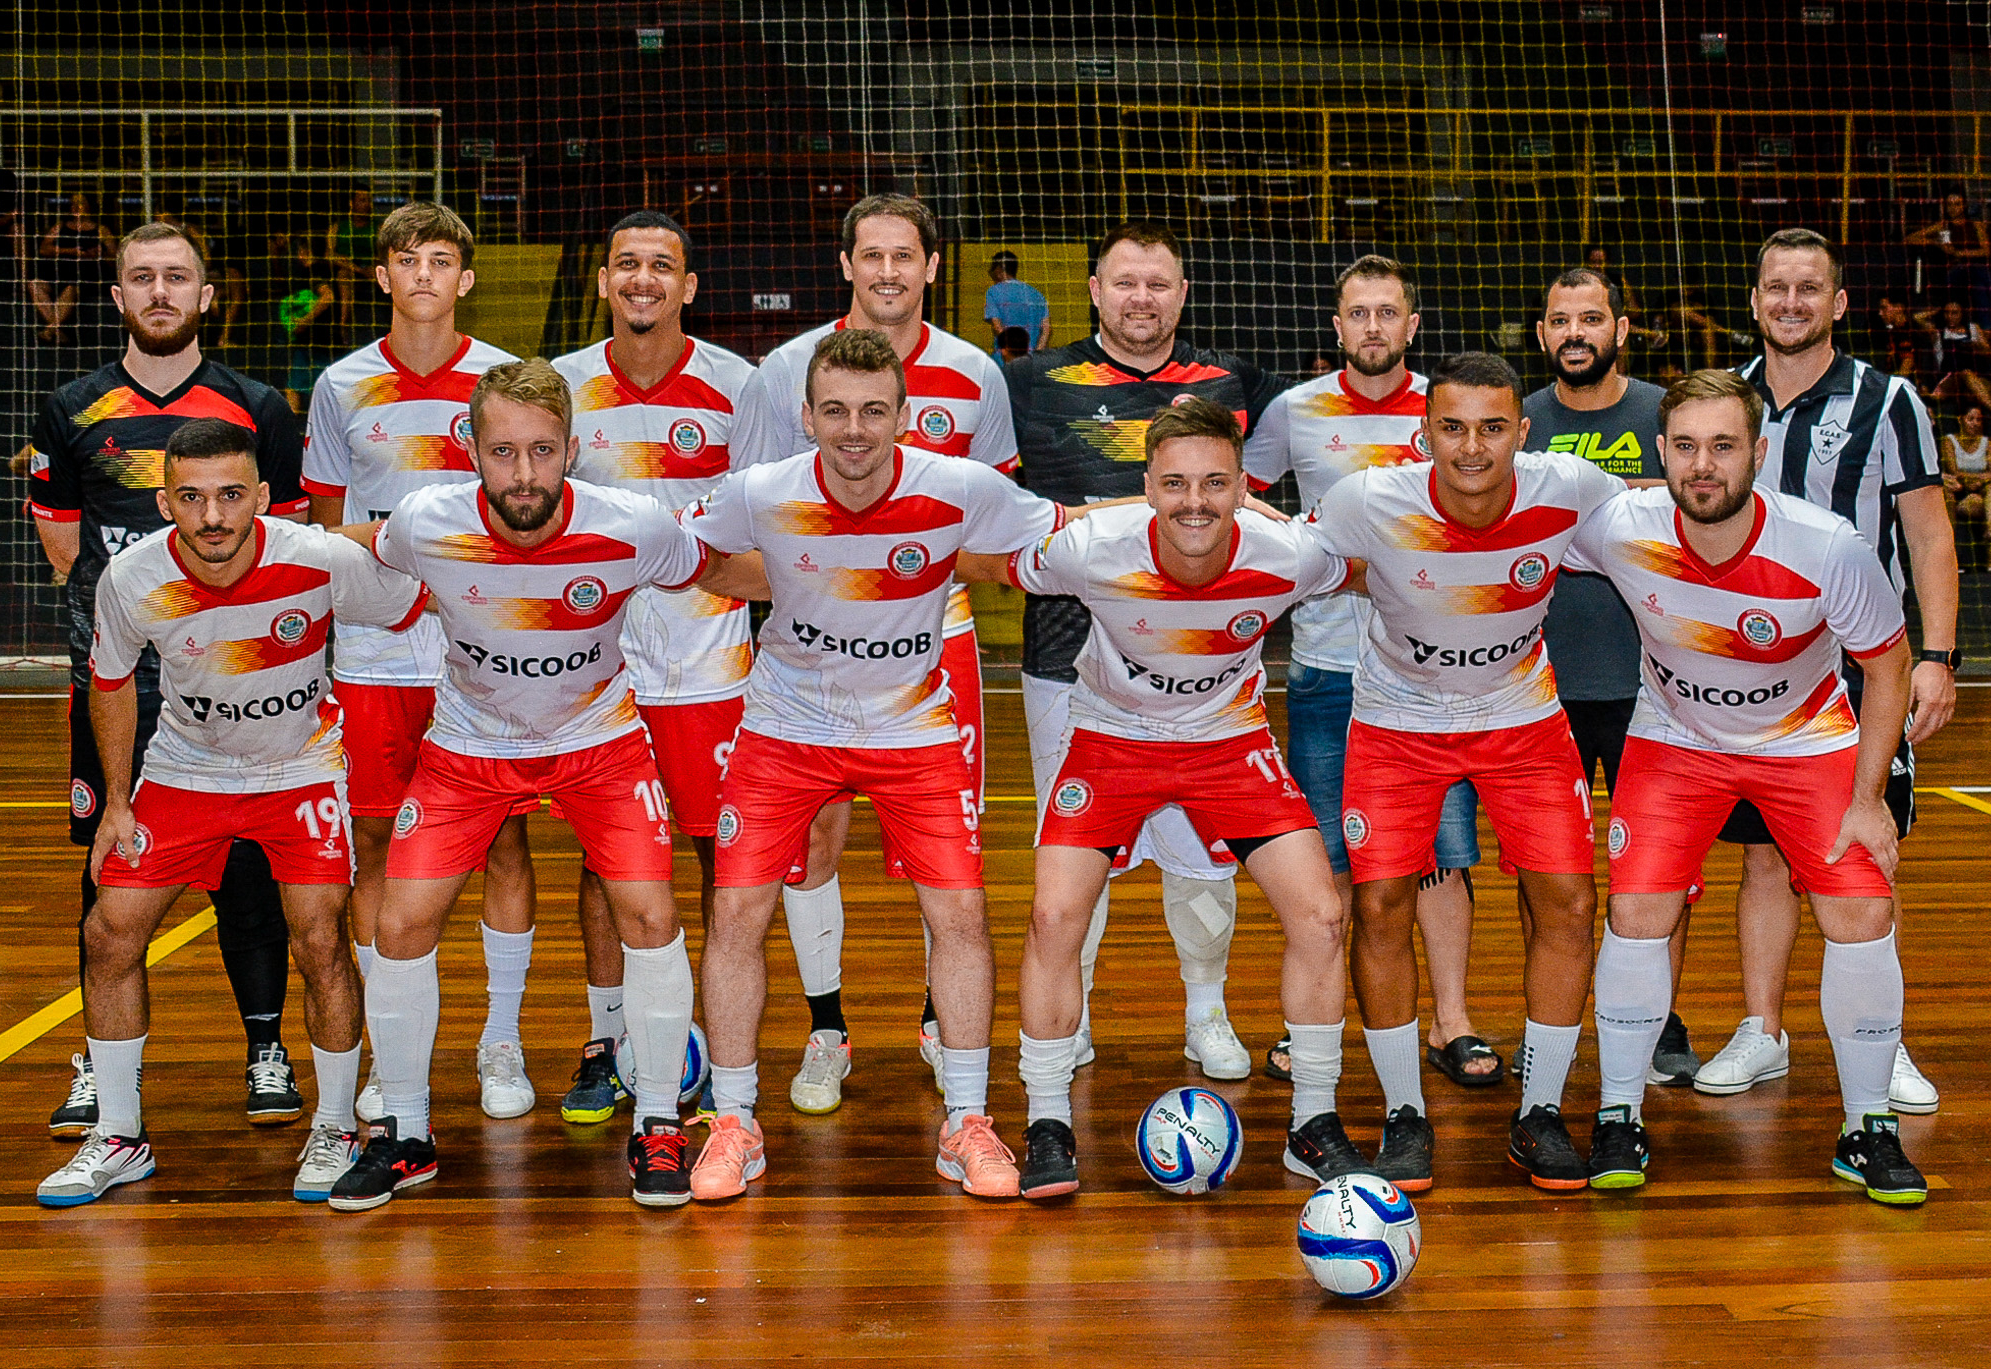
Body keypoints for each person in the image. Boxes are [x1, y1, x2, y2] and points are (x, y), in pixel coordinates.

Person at [327, 359, 753, 1211]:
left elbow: (722, 569)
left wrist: (843, 599)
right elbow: (350, 548)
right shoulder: (425, 521)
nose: (523, 475)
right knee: (401, 920)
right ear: (470, 449)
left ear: (574, 448)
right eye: (503, 451)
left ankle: (660, 1126)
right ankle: (407, 1134)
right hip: (467, 747)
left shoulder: (632, 524)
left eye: (542, 451)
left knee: (652, 913)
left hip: (597, 743)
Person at [682, 328, 1067, 1203]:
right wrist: (786, 575)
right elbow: (692, 555)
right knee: (736, 908)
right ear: (807, 416)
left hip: (912, 729)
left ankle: (965, 1117)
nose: (854, 429)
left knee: (961, 912)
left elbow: (1063, 531)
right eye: (835, 411)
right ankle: (735, 1120)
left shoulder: (958, 486)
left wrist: (1217, 514)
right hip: (785, 723)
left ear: (903, 415)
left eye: (872, 411)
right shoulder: (761, 491)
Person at [962, 398, 1362, 1198]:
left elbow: (1358, 564)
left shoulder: (1285, 553)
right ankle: (1046, 1120)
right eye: (1174, 483)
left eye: (1215, 483)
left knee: (1321, 912)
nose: (1194, 502)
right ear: (1145, 487)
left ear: (1244, 484)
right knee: (1051, 915)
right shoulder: (1088, 548)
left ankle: (1312, 1121)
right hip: (1111, 737)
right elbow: (985, 560)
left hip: (1227, 740)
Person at [34, 418, 425, 1208]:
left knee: (320, 936)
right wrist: (114, 803)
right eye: (193, 497)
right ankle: (119, 1133)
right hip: (187, 769)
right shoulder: (132, 576)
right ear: (164, 499)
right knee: (109, 930)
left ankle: (337, 1123)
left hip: (300, 767)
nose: (213, 516)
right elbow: (109, 680)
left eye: (231, 495)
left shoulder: (318, 559)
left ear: (263, 498)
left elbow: (409, 599)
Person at [1575, 369, 1925, 1206]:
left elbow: (1888, 664)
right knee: (1637, 909)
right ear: (1659, 454)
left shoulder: (1824, 543)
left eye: (1723, 446)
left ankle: (1866, 1128)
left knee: (1860, 907)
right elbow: (1502, 526)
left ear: (1757, 454)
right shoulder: (1620, 524)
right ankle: (1618, 1111)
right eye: (1686, 447)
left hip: (1805, 742)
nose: (1704, 465)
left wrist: (1868, 796)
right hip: (1674, 739)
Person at [1301, 351, 1624, 1193]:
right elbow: (1271, 558)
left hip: (1520, 720)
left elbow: (1664, 539)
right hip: (1396, 723)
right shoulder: (1367, 499)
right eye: (1451, 427)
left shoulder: (1573, 490)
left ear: (1522, 431)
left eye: (1490, 428)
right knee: (1377, 905)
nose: (1470, 447)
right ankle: (1404, 1112)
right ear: (1423, 433)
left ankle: (1541, 1109)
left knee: (1571, 899)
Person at [729, 193, 1017, 1116]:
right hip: (811, 656)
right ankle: (826, 1026)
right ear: (846, 266)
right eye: (871, 256)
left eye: (905, 256)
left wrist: (903, 576)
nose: (888, 271)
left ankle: (941, 1021)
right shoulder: (783, 371)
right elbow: (751, 519)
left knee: (948, 856)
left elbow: (996, 524)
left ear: (931, 267)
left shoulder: (975, 373)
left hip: (938, 643)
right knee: (811, 841)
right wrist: (832, 589)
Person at [26, 222, 308, 1139]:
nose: (159, 292)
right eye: (140, 278)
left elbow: (284, 552)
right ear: (117, 297)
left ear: (206, 296)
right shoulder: (69, 406)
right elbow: (69, 547)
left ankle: (266, 1047)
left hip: (230, 681)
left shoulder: (257, 406)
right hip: (115, 685)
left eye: (176, 277)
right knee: (109, 865)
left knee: (248, 860)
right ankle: (101, 1067)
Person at [1004, 220, 1287, 1082]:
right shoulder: (1027, 383)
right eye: (1124, 282)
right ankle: (1071, 1015)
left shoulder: (1231, 383)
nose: (1140, 298)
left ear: (1182, 293)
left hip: (1201, 667)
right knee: (1071, 853)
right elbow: (1003, 512)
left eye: (1157, 283)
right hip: (1065, 659)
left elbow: (1260, 515)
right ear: (1092, 289)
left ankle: (1207, 1015)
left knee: (1202, 851)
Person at [1694, 229, 1957, 1118]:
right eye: (1776, 287)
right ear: (1755, 298)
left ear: (1837, 303)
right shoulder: (1725, 400)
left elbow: (1927, 534)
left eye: (1809, 288)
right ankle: (1762, 1029)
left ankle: (1880, 1047)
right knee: (1763, 859)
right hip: (1754, 671)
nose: (1791, 302)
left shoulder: (1889, 402)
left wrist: (1936, 657)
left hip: (1859, 673)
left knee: (1865, 852)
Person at [300, 202, 542, 1124]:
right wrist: (399, 543)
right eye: (409, 261)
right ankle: (389, 1050)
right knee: (372, 842)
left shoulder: (504, 380)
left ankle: (500, 1038)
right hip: (371, 652)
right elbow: (323, 528)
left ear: (466, 278)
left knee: (503, 839)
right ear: (383, 278)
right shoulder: (341, 383)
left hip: (483, 651)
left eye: (443, 260)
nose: (426, 276)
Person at [1241, 255, 1494, 1090]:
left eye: (1389, 311)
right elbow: (1234, 493)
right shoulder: (1295, 411)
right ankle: (1314, 1022)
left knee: (1440, 857)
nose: (1374, 326)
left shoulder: (1446, 411)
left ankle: (1450, 1022)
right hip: (1326, 667)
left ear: (1412, 325)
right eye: (1359, 312)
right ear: (1337, 324)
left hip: (1432, 675)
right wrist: (1307, 553)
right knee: (1328, 861)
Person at [550, 209, 754, 1123]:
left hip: (712, 665)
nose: (643, 279)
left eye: (660, 266)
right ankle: (607, 1038)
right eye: (625, 263)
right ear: (603, 281)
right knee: (605, 862)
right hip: (598, 670)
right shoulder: (558, 390)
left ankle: (713, 1036)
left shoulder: (737, 388)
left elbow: (770, 525)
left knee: (719, 856)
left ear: (688, 286)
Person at [1523, 265, 1697, 1086]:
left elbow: (1702, 509)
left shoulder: (1665, 414)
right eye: (1560, 320)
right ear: (1541, 333)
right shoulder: (1515, 422)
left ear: (1620, 329)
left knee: (1658, 865)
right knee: (1549, 871)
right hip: (1538, 686)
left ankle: (1659, 1016)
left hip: (1651, 683)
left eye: (1590, 318)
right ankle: (1549, 1009)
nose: (1574, 333)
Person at [29, 191, 114, 345]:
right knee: (34, 285)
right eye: (73, 203)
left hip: (85, 276)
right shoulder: (59, 227)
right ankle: (57, 331)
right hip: (58, 273)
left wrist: (99, 255)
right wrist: (70, 251)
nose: (75, 207)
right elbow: (43, 249)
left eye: (80, 203)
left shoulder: (101, 230)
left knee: (70, 288)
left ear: (89, 206)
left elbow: (114, 257)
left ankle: (49, 330)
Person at [1906, 189, 1991, 325]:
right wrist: (1936, 242)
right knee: (1971, 280)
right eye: (1950, 205)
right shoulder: (1943, 225)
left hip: (1976, 267)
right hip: (1956, 270)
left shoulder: (1976, 225)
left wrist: (1959, 253)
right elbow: (1910, 238)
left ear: (1963, 206)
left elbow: (1986, 251)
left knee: (1979, 286)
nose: (1953, 208)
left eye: (1957, 204)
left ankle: (1985, 328)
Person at [282, 239, 338, 413]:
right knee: (297, 387)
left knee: (296, 388)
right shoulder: (327, 269)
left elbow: (327, 297)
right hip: (321, 339)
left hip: (316, 339)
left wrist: (304, 321)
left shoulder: (314, 271)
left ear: (303, 251)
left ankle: (294, 432)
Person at [1912, 297, 1991, 408]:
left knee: (1975, 380)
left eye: (1954, 313)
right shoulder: (1939, 333)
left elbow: (1987, 351)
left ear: (1962, 314)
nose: (1950, 317)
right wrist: (1935, 311)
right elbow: (1917, 318)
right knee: (1965, 373)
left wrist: (1976, 346)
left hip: (1976, 378)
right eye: (1947, 313)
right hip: (1950, 379)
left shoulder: (1972, 329)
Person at [324, 185, 379, 333]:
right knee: (344, 277)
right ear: (352, 203)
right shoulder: (337, 227)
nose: (366, 204)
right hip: (347, 269)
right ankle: (343, 326)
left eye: (368, 200)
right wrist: (357, 269)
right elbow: (329, 255)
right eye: (362, 200)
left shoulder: (379, 228)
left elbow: (384, 254)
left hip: (370, 270)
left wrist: (372, 267)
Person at [1941, 400, 1988, 567]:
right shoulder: (1949, 441)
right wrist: (1976, 478)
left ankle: (1989, 531)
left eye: (1979, 420)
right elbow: (1954, 472)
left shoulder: (1987, 443)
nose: (1975, 423)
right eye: (1971, 419)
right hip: (1959, 490)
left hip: (1981, 493)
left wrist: (1980, 481)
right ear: (1961, 419)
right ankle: (1951, 548)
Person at [984, 250, 1051, 352]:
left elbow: (997, 326)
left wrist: (1013, 353)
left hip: (1004, 358)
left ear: (998, 269)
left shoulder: (993, 291)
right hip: (1031, 359)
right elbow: (1046, 329)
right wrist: (1036, 354)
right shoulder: (1037, 294)